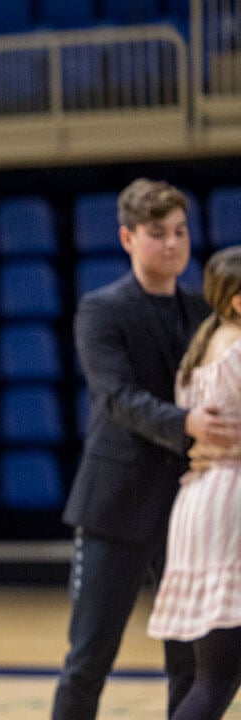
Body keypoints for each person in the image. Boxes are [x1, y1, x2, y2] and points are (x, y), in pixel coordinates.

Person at [53, 178, 239, 719]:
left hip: (188, 508)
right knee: (88, 659)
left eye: (180, 231)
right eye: (159, 233)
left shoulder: (203, 311)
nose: (173, 243)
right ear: (128, 238)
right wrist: (189, 425)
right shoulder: (101, 309)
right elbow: (116, 397)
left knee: (191, 664)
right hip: (117, 505)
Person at [146, 246, 241, 720]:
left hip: (201, 497)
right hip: (231, 503)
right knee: (216, 678)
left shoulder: (202, 349)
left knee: (215, 675)